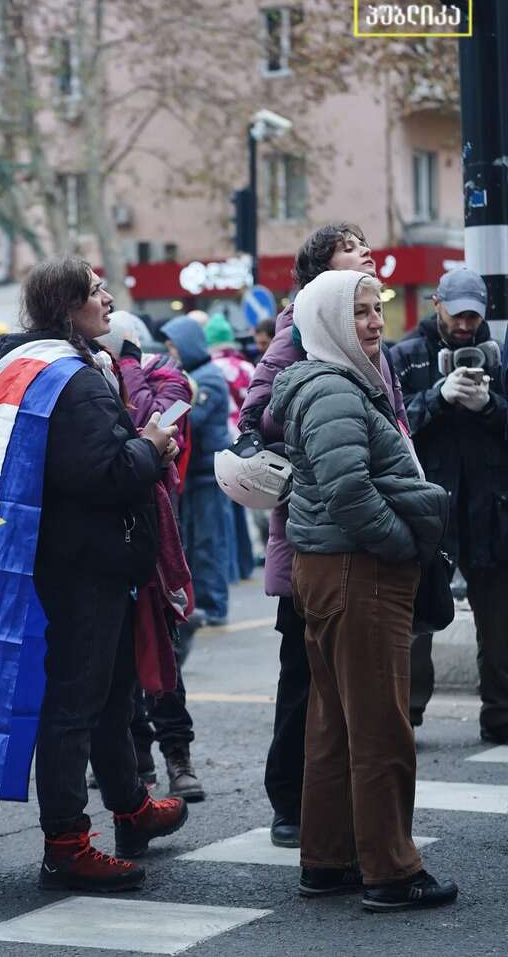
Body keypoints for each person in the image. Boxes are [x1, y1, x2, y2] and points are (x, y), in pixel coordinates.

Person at [0, 257, 188, 893]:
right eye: (95, 292)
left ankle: (130, 808)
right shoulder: (73, 378)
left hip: (69, 559)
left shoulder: (29, 368)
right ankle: (67, 845)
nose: (106, 299)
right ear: (67, 307)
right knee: (78, 702)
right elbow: (101, 475)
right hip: (86, 563)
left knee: (110, 693)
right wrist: (152, 447)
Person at [270, 269, 457, 912]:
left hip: (335, 569)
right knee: (379, 726)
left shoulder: (335, 381)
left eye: (375, 309)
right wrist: (402, 547)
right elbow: (349, 490)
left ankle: (329, 860)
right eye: (358, 313)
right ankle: (392, 871)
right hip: (358, 569)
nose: (375, 321)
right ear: (325, 321)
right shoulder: (334, 390)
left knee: (334, 725)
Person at [237, 223, 408, 849]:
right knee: (306, 675)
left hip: (349, 529)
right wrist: (325, 438)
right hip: (320, 532)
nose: (365, 253)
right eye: (350, 247)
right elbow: (255, 419)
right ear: (319, 275)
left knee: (339, 687)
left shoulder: (363, 336)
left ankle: (325, 825)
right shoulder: (303, 334)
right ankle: (292, 804)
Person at [391, 267, 508, 740]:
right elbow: (391, 427)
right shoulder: (405, 356)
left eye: (473, 317)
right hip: (429, 506)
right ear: (437, 302)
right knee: (416, 619)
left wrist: (490, 406)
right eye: (457, 314)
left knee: (499, 623)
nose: (465, 326)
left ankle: (501, 718)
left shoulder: (499, 358)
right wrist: (437, 397)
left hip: (490, 506)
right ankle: (407, 717)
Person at [97, 310, 205, 802]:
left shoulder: (168, 377)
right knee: (118, 657)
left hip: (156, 534)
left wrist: (129, 366)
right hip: (111, 534)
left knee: (161, 652)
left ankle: (178, 757)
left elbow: (147, 420)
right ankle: (136, 756)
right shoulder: (92, 376)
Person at [161, 316, 232, 625]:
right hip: (197, 474)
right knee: (196, 541)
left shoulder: (208, 378)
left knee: (208, 543)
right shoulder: (195, 374)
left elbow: (193, 418)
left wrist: (163, 421)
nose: (171, 353)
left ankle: (214, 606)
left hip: (207, 474)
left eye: (174, 346)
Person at [205, 313, 256, 581]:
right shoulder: (246, 366)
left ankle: (233, 567)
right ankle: (246, 563)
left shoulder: (210, 369)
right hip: (248, 442)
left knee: (227, 512)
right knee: (241, 508)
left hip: (223, 444)